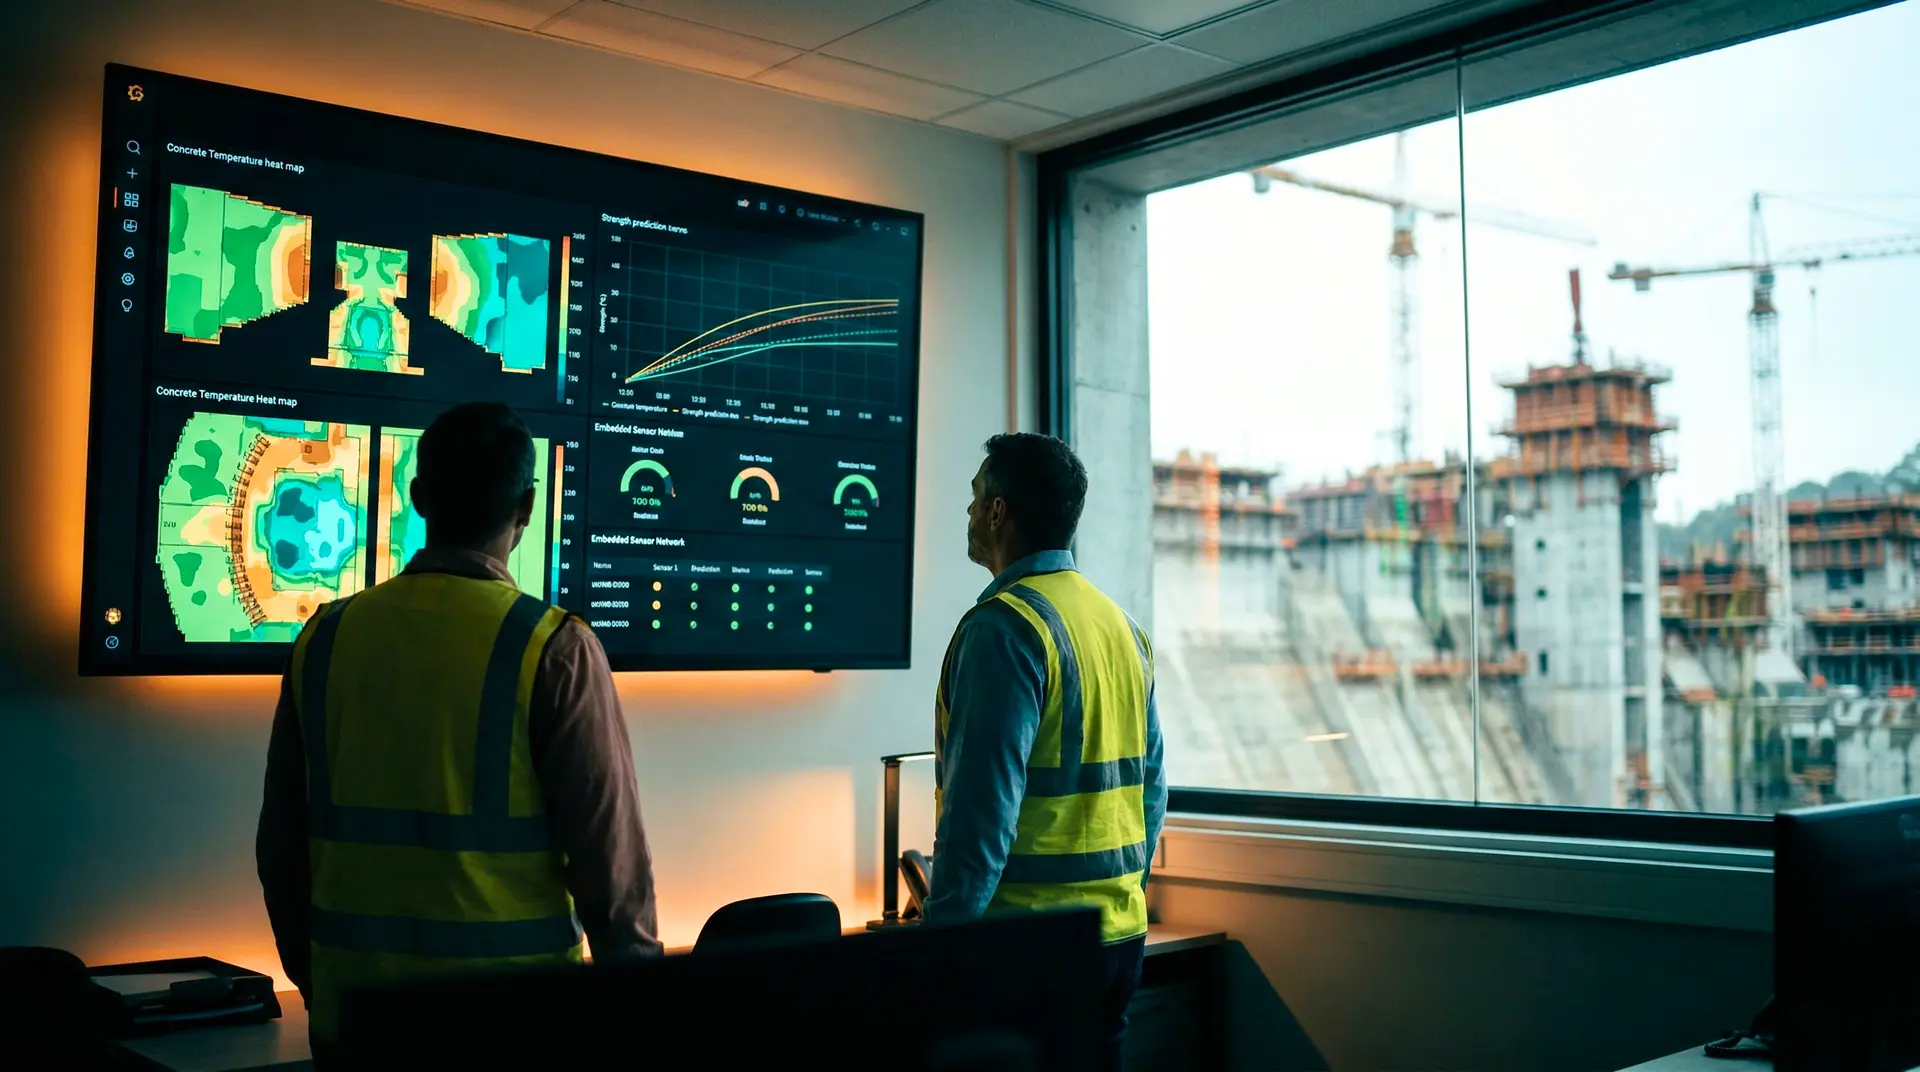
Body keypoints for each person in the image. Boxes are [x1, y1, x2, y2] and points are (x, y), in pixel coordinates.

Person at [257, 402, 659, 1058]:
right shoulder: (555, 647)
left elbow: (281, 849)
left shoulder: (324, 639)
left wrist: (323, 984)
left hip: (355, 1023)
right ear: (527, 509)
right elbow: (610, 866)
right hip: (515, 1026)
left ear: (417, 498)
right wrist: (642, 1011)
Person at [924, 432, 1167, 1071]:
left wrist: (936, 950)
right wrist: (1125, 895)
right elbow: (1153, 791)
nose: (969, 513)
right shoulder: (1121, 627)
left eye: (976, 498)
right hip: (1118, 935)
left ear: (999, 511)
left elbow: (981, 816)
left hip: (1027, 945)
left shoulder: (1004, 630)